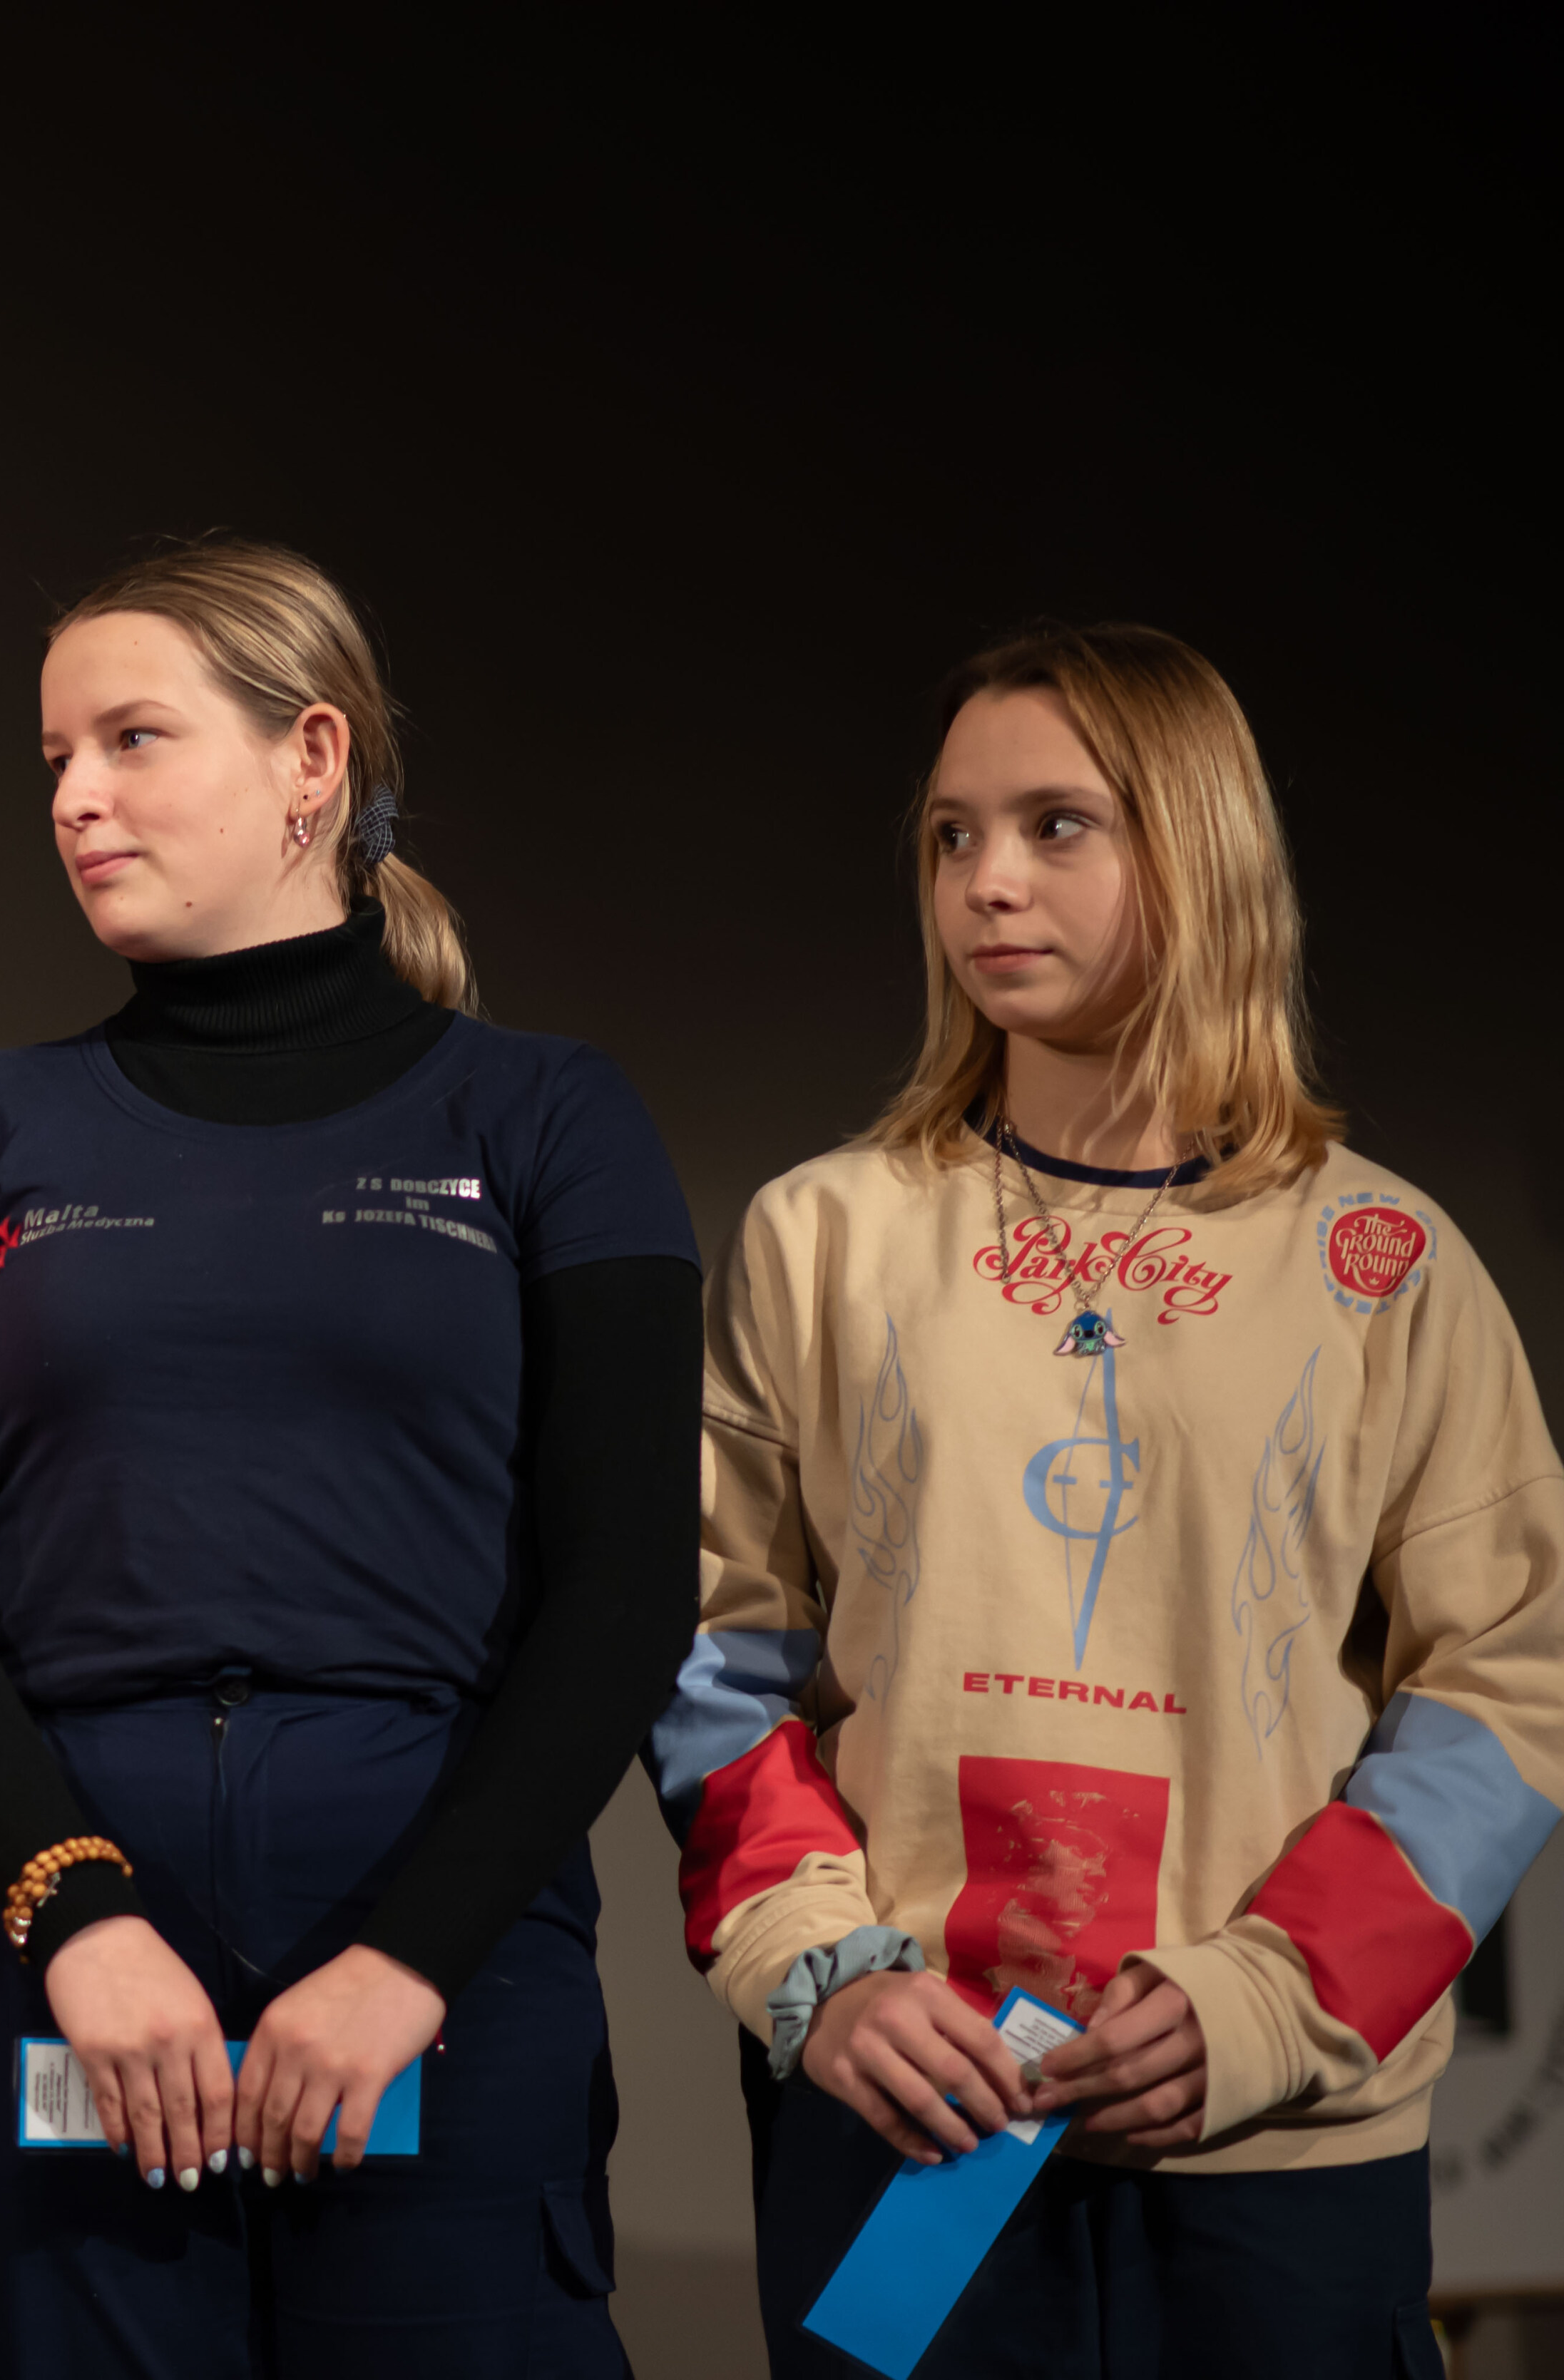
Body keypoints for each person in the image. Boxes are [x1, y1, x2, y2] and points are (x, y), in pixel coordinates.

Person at [0, 540, 703, 2375]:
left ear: (310, 757)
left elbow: (624, 1588)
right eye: (54, 758)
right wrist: (77, 1915)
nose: (73, 798)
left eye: (130, 739)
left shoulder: (548, 1115)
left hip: (437, 1943)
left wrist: (409, 1959)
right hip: (66, 1945)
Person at [653, 622, 1561, 2377]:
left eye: (1056, 825)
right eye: (951, 833)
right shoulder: (821, 1237)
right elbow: (707, 1649)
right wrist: (823, 1973)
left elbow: (1511, 1679)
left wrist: (1273, 1997)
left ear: (1198, 847)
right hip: (910, 2130)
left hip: (1276, 2149)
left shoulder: (1386, 1262)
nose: (985, 881)